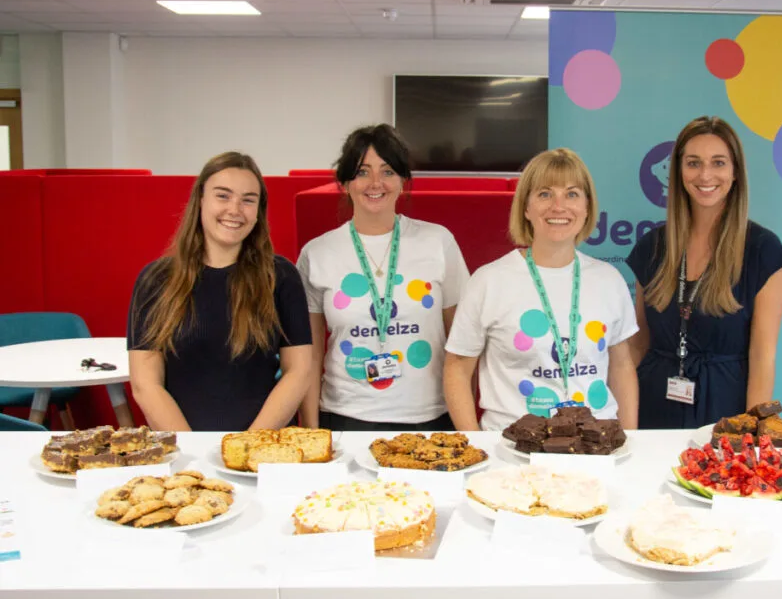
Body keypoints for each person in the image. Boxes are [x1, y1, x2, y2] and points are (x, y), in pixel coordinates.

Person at [444, 148, 639, 431]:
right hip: (511, 451)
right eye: (545, 194)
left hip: (596, 450)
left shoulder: (609, 280)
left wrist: (629, 439)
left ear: (587, 207)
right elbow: (457, 369)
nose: (558, 206)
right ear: (526, 207)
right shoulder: (488, 281)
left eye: (572, 194)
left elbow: (622, 367)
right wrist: (475, 443)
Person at [297, 124, 470, 431]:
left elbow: (463, 346)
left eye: (388, 171)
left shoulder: (437, 242)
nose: (375, 183)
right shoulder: (318, 253)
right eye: (362, 171)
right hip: (344, 418)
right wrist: (312, 432)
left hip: (428, 418)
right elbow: (309, 356)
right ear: (345, 182)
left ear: (403, 180)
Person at [626, 116, 782, 429]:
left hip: (726, 413)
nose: (705, 175)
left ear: (735, 171)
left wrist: (752, 434)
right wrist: (615, 413)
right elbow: (638, 342)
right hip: (654, 407)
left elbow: (762, 356)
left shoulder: (763, 251)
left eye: (718, 162)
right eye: (693, 163)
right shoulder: (651, 248)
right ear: (678, 171)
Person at [128, 152, 314, 431]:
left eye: (248, 200)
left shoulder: (281, 276)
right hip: (185, 454)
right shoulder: (156, 280)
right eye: (223, 196)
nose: (235, 209)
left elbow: (298, 371)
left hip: (264, 447)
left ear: (258, 211)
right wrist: (193, 452)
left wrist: (247, 446)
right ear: (200, 200)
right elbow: (146, 384)